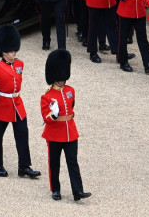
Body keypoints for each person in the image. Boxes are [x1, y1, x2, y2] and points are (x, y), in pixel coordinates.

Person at [0, 25, 41, 179]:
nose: (14, 52)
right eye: (11, 50)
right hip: (1, 105)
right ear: (3, 51)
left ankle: (24, 166)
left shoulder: (20, 64)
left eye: (15, 50)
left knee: (22, 135)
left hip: (17, 104)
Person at [41, 49, 91, 201]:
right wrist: (54, 115)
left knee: (72, 162)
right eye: (60, 78)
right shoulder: (47, 96)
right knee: (54, 163)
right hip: (55, 134)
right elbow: (45, 116)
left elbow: (71, 108)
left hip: (71, 132)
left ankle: (78, 191)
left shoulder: (70, 91)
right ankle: (55, 190)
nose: (62, 80)